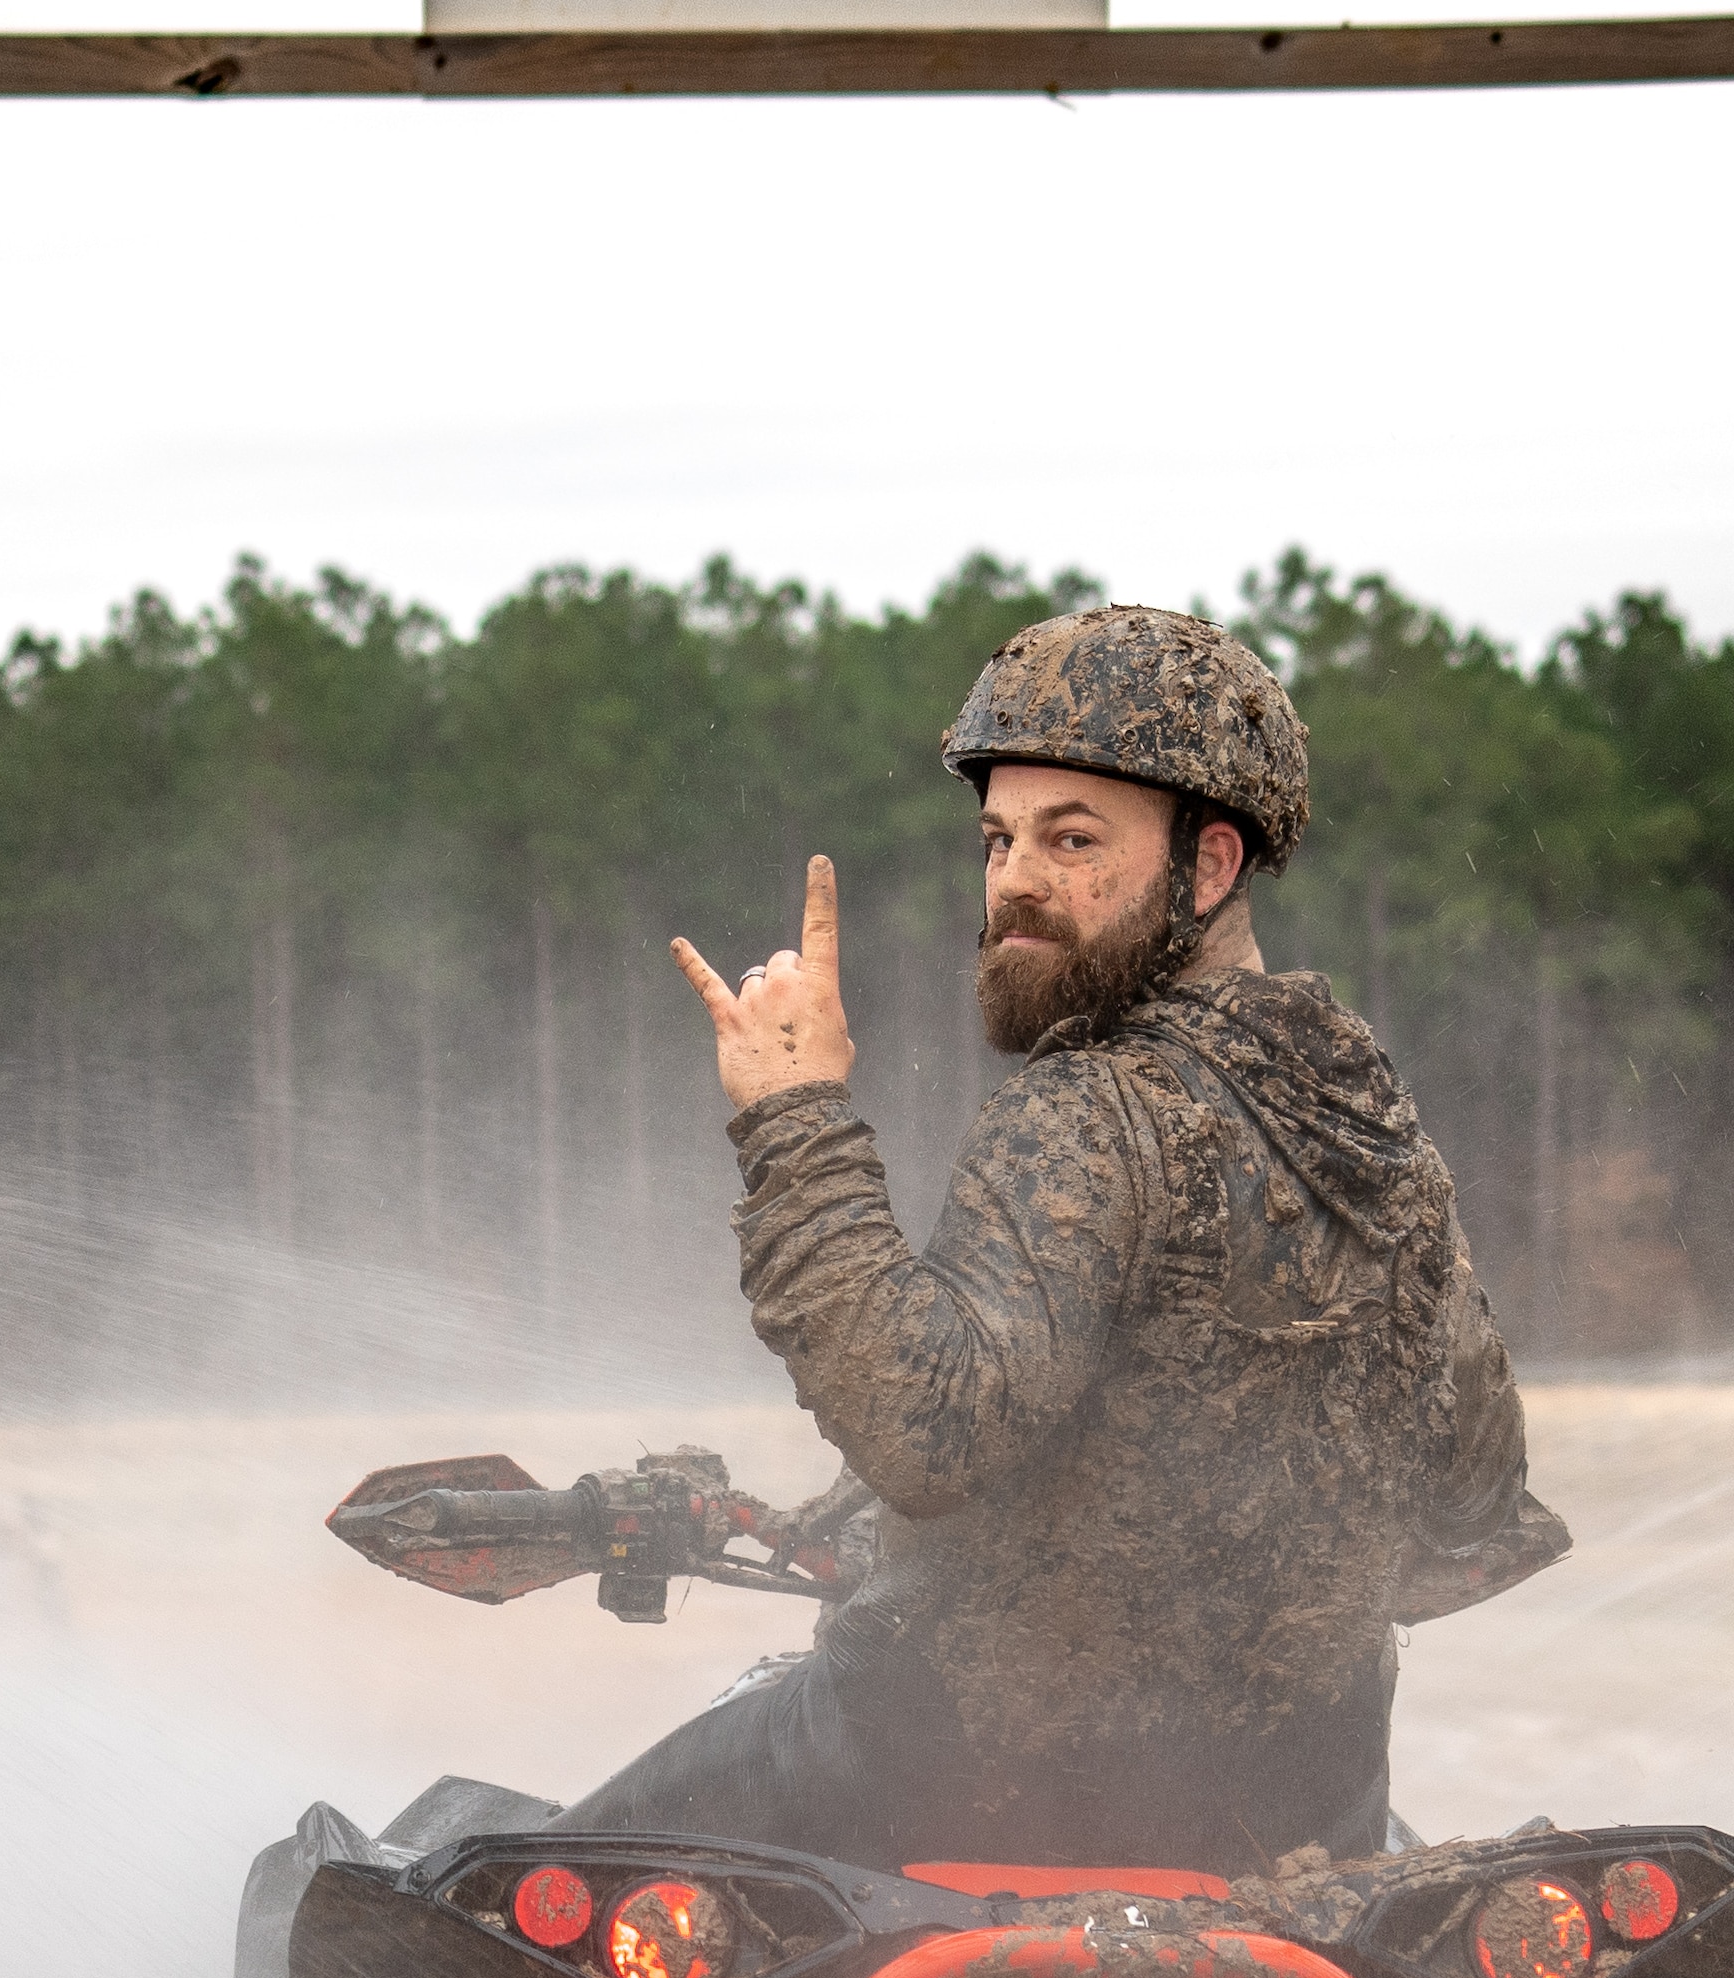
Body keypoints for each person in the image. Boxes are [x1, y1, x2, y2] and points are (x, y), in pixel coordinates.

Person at [561, 604, 1566, 1877]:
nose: (1014, 879)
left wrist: (792, 1114)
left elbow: (927, 1430)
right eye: (997, 840)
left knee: (451, 1921)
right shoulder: (1370, 1127)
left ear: (1207, 867)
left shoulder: (1093, 1106)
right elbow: (1474, 1495)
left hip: (954, 1783)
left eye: (1072, 838)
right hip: (1302, 1816)